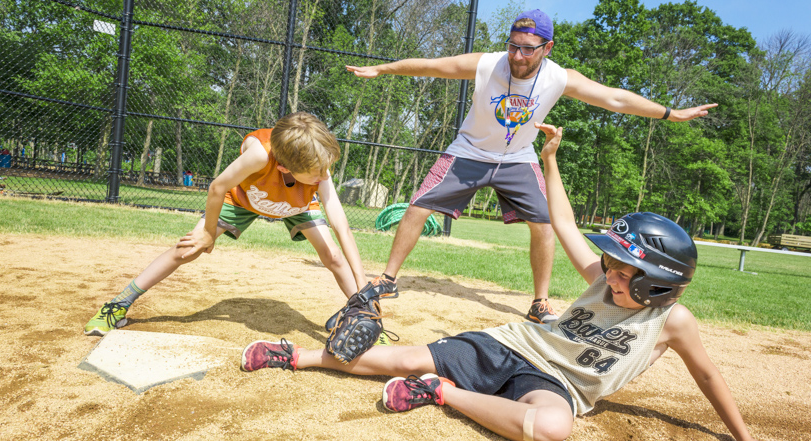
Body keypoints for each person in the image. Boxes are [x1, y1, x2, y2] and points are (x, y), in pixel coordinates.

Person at [240, 122, 758, 441]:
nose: (609, 273)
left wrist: (743, 436)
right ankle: (296, 356)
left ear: (659, 287)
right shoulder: (600, 279)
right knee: (402, 357)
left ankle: (441, 393)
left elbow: (709, 377)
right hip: (514, 344)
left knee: (552, 429)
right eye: (611, 264)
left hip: (557, 385)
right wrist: (549, 163)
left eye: (625, 272)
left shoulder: (674, 321)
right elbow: (566, 226)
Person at [345, 9, 718, 325]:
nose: (517, 55)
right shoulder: (488, 64)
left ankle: (539, 302)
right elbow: (432, 67)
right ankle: (388, 279)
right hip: (469, 151)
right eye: (513, 45)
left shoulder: (559, 77)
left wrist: (671, 114)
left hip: (518, 158)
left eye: (527, 49)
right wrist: (383, 69)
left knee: (544, 223)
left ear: (546, 48)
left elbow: (616, 99)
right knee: (419, 205)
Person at [84, 112, 368, 336]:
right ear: (283, 166)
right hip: (243, 199)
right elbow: (217, 187)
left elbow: (341, 225)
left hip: (297, 202)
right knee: (188, 249)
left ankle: (363, 315)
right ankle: (118, 304)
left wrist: (365, 289)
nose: (325, 175)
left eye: (326, 168)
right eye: (318, 171)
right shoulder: (259, 154)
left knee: (332, 255)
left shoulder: (317, 167)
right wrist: (208, 234)